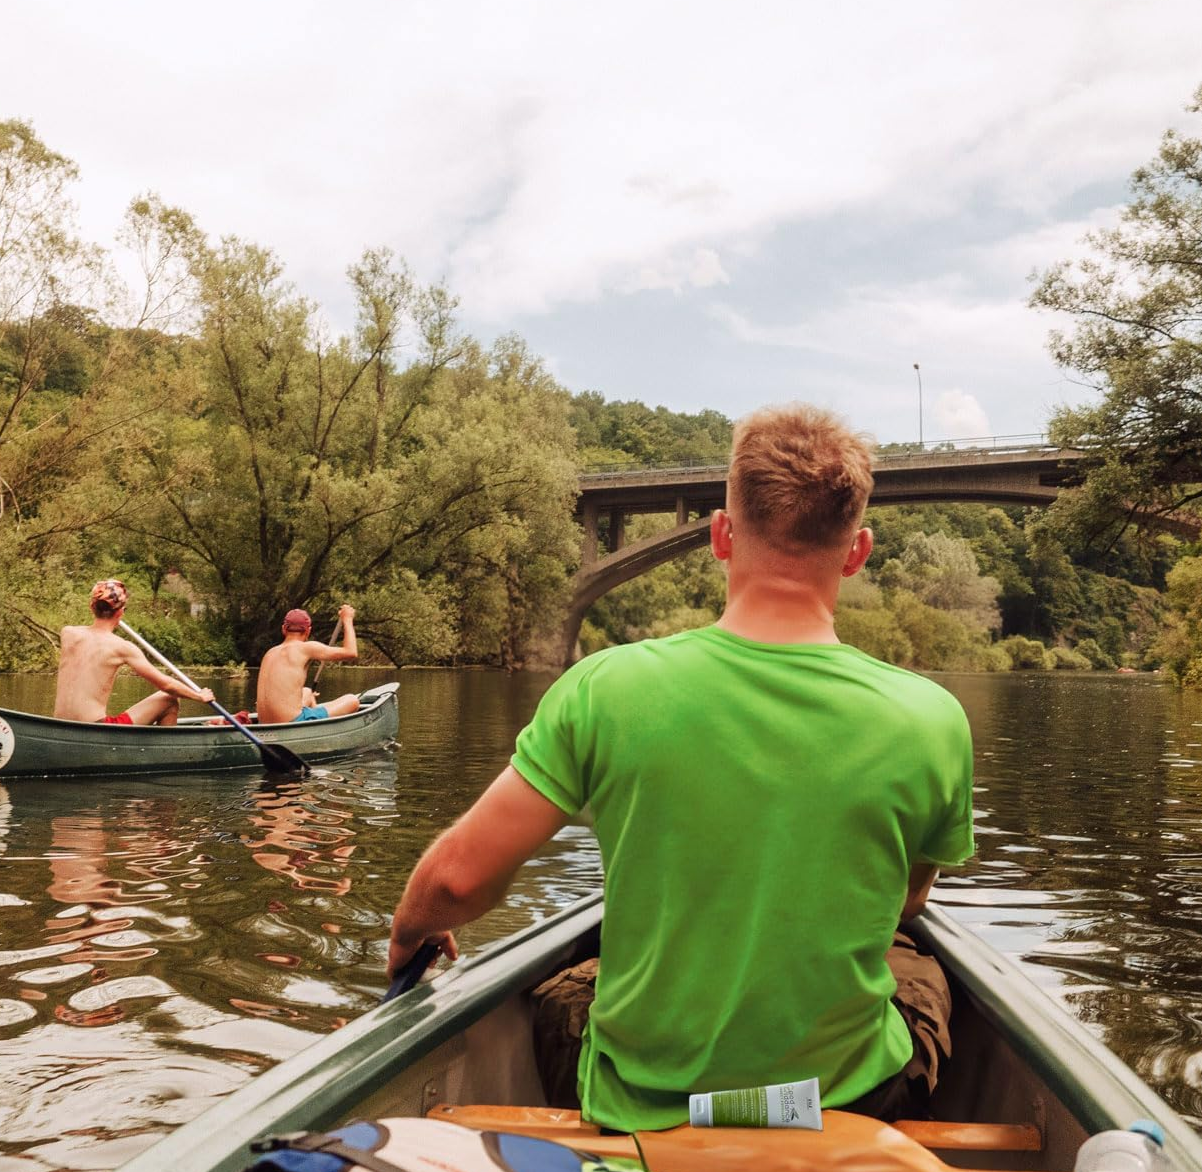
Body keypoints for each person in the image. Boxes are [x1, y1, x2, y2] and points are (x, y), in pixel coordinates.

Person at [387, 404, 975, 1132]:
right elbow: (907, 903)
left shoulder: (605, 687)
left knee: (569, 988)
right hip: (845, 1105)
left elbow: (456, 881)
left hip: (642, 1110)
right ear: (857, 552)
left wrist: (412, 927)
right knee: (919, 965)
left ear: (720, 537)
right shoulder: (932, 717)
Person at [53, 578, 215, 725]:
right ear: (120, 612)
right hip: (97, 728)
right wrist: (199, 695)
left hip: (59, 727)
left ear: (92, 607)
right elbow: (166, 685)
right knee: (170, 699)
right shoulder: (122, 647)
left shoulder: (68, 633)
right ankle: (163, 752)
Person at [255, 605, 363, 724]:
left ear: (284, 629)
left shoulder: (270, 652)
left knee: (307, 692)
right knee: (352, 701)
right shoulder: (306, 647)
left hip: (264, 723)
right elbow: (351, 652)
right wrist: (347, 619)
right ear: (308, 631)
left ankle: (314, 718)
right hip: (290, 722)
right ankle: (314, 722)